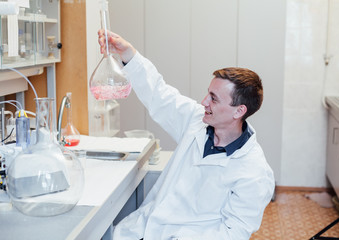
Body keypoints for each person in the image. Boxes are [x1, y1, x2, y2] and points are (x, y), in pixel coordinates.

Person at [98, 30, 275, 240]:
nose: (203, 102)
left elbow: (234, 232)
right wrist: (129, 54)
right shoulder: (196, 121)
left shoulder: (254, 171)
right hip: (141, 230)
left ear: (239, 111)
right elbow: (159, 94)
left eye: (214, 99)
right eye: (208, 93)